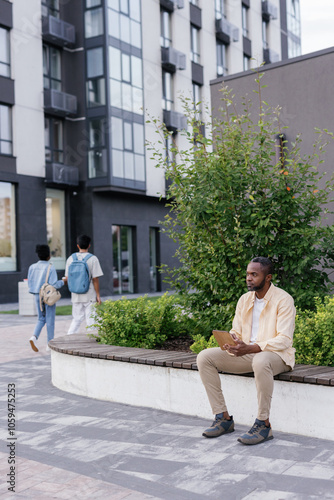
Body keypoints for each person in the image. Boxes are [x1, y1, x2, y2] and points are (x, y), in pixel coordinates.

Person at [197, 256, 296, 445]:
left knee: (260, 360)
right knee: (204, 357)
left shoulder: (283, 300)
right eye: (248, 274)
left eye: (254, 275)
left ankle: (263, 424)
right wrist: (233, 341)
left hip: (277, 356)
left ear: (268, 278)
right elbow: (237, 330)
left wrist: (251, 348)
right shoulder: (244, 300)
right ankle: (223, 418)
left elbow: (284, 340)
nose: (249, 278)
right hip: (248, 354)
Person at [28, 244, 66, 352]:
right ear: (49, 255)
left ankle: (34, 337)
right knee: (50, 320)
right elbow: (54, 284)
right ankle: (49, 345)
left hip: (36, 295)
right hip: (48, 297)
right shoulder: (50, 267)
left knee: (41, 318)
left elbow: (30, 284)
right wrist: (63, 281)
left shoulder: (32, 267)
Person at [65, 234, 103, 335]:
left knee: (76, 319)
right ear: (89, 245)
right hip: (89, 294)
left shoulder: (70, 259)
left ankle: (69, 338)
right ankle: (91, 342)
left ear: (77, 245)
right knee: (91, 321)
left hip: (76, 294)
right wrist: (98, 295)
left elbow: (67, 278)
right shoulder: (93, 259)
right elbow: (95, 279)